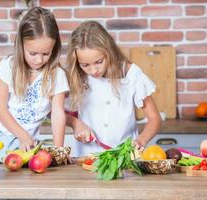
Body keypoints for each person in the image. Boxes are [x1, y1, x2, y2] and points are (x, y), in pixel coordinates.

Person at [0, 7, 69, 162]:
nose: (39, 60)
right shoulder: (9, 66)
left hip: (24, 144)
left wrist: (58, 151)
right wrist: (22, 135)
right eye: (33, 53)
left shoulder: (57, 75)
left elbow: (57, 114)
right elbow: (0, 109)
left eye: (46, 54)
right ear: (21, 45)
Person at [65, 21, 162, 157]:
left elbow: (154, 118)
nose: (93, 70)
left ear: (109, 52)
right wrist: (75, 123)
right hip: (87, 156)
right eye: (85, 65)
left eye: (99, 62)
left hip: (124, 156)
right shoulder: (76, 75)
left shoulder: (131, 74)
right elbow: (54, 112)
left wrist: (140, 141)